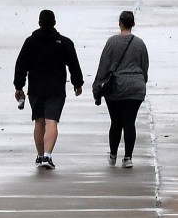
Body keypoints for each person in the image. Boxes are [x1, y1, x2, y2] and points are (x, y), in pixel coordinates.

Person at [14, 9, 84, 169]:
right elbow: (73, 63)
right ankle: (47, 156)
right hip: (56, 88)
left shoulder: (30, 42)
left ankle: (39, 156)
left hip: (36, 89)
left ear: (39, 23)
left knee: (39, 122)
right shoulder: (64, 42)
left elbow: (21, 65)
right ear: (54, 23)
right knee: (51, 122)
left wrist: (19, 86)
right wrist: (77, 83)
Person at [93, 10, 149, 168]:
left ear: (120, 23)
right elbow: (145, 66)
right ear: (133, 24)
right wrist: (142, 81)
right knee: (129, 122)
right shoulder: (140, 43)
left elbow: (103, 66)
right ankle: (128, 158)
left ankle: (113, 154)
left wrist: (97, 88)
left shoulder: (111, 42)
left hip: (116, 87)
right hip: (136, 88)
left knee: (116, 122)